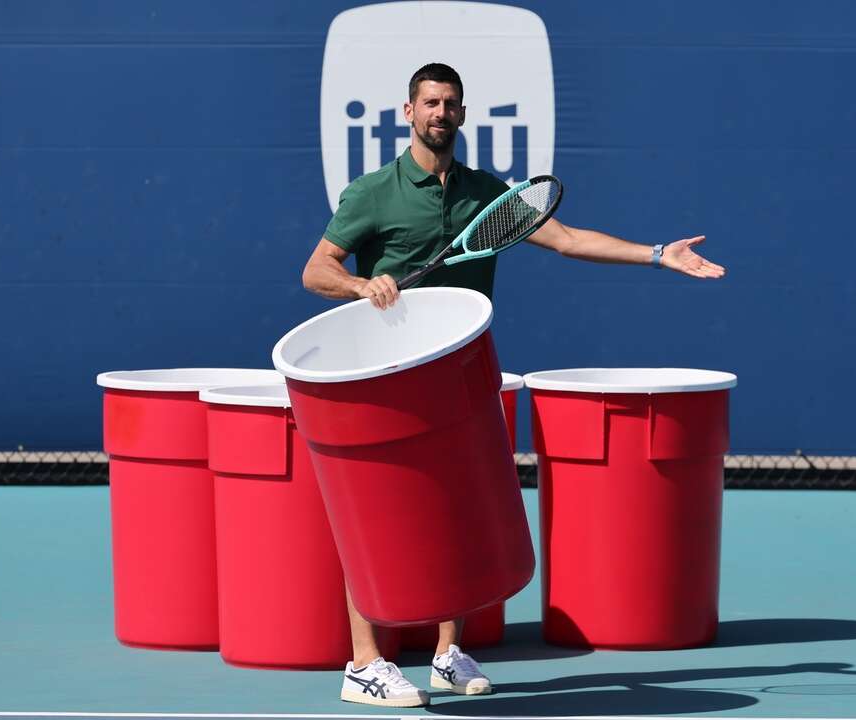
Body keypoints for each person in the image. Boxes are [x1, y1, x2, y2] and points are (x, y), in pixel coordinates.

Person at [302, 62, 727, 708]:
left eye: (451, 104)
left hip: (459, 375)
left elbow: (568, 239)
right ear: (408, 112)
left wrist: (657, 253)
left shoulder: (488, 196)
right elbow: (316, 271)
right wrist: (364, 285)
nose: (440, 114)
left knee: (460, 510)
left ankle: (447, 654)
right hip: (387, 380)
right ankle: (364, 664)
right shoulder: (373, 193)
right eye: (430, 103)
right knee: (373, 518)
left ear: (463, 115)